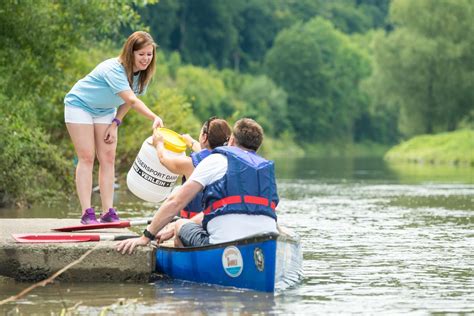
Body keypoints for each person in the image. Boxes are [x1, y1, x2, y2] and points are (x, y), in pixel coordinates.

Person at [117, 118, 279, 254]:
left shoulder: (216, 160)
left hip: (222, 248)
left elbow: (175, 201)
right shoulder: (264, 169)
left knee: (180, 224)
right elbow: (234, 207)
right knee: (182, 224)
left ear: (231, 141)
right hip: (263, 245)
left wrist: (146, 237)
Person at [64, 31, 163, 225]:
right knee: (86, 157)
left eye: (149, 54)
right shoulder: (114, 69)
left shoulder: (142, 76)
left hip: (105, 110)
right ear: (131, 52)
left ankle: (108, 212)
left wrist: (116, 122)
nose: (146, 59)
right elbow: (132, 100)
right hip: (79, 105)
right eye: (141, 54)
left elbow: (127, 100)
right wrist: (154, 116)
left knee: (108, 158)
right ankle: (87, 213)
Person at [152, 117, 231, 242]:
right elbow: (207, 153)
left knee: (176, 192)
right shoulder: (228, 160)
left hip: (195, 225)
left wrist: (159, 144)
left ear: (204, 137)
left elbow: (164, 159)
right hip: (220, 224)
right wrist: (191, 143)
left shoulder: (190, 164)